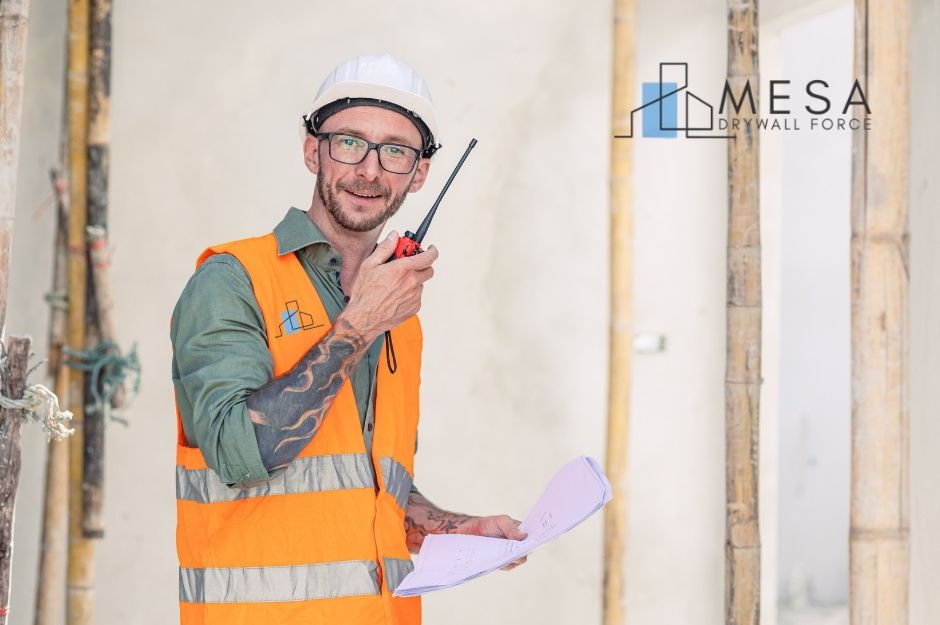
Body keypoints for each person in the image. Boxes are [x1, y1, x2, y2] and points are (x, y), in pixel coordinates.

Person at [170, 53, 526, 625]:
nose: (369, 170)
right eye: (349, 143)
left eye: (395, 151)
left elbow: (358, 485)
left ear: (419, 175)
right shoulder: (233, 279)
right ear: (313, 151)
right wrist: (359, 325)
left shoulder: (397, 316)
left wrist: (457, 529)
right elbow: (242, 454)